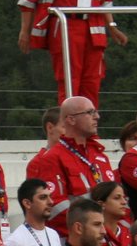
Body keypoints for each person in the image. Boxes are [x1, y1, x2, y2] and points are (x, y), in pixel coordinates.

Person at [27, 97, 114, 235]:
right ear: (71, 119)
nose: (97, 116)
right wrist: (94, 224)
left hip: (108, 237)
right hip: (78, 239)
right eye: (90, 112)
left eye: (96, 112)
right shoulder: (52, 158)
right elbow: (54, 207)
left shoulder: (100, 156)